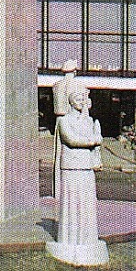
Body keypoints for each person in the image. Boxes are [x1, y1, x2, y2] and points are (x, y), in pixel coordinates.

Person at [47, 79, 108, 266]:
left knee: (86, 203)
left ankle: (86, 237)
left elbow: (95, 138)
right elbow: (71, 140)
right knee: (72, 203)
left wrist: (94, 139)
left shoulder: (90, 121)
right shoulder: (64, 121)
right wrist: (93, 140)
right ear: (71, 101)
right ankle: (70, 238)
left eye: (83, 98)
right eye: (78, 98)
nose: (81, 101)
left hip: (85, 167)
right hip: (71, 168)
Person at [51, 58, 79, 201]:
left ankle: (58, 192)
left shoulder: (56, 86)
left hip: (59, 121)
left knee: (58, 156)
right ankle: (71, 194)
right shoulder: (78, 86)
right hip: (72, 120)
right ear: (74, 71)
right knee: (72, 157)